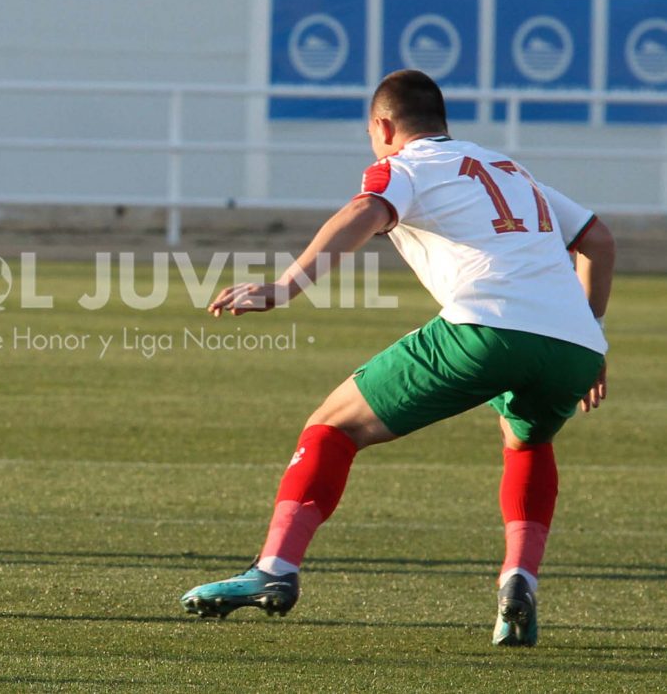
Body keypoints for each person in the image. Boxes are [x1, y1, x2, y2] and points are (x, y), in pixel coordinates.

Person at [180, 70, 613, 647]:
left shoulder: (404, 167)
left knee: (332, 425)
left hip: (488, 329)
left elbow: (364, 211)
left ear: (383, 127)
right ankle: (519, 580)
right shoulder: (508, 169)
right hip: (577, 347)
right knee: (528, 442)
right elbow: (598, 241)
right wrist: (589, 331)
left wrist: (286, 286)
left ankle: (275, 569)